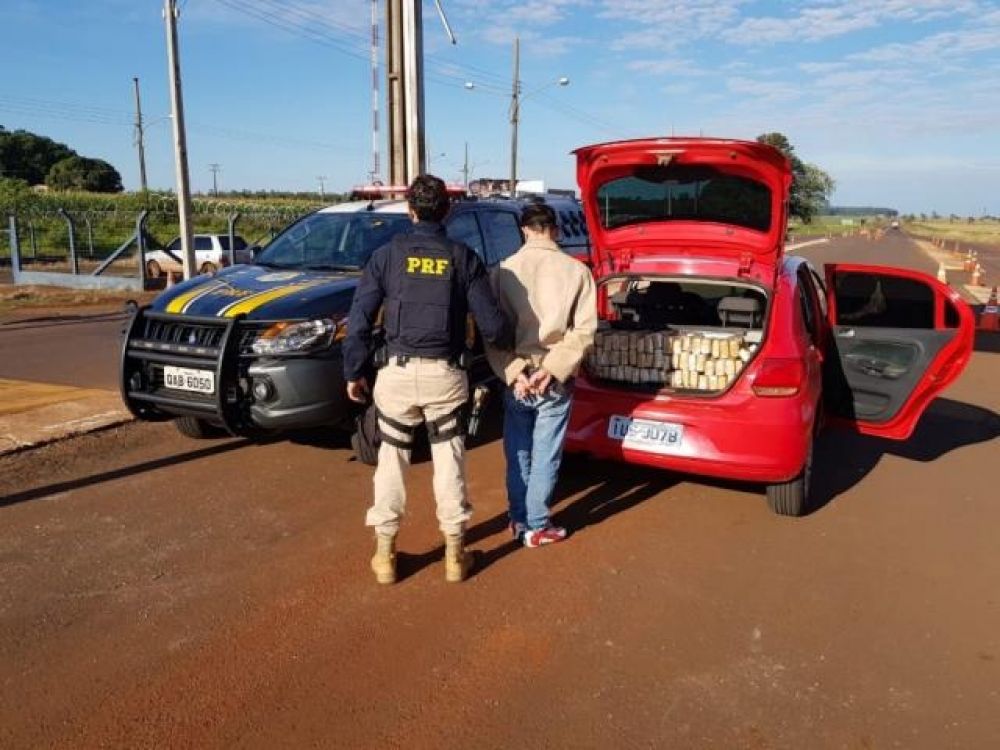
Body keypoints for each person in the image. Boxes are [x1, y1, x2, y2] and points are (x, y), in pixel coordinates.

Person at [343, 174, 511, 585]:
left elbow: (360, 320)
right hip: (446, 377)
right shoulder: (463, 257)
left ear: (410, 210)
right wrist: (511, 343)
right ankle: (455, 554)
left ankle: (385, 557)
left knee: (391, 462)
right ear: (448, 210)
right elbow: (492, 326)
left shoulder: (385, 256)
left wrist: (354, 372)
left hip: (396, 377)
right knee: (448, 460)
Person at [487, 202, 597, 547]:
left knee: (517, 450)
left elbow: (493, 333)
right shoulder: (576, 271)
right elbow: (585, 331)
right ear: (556, 229)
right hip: (554, 377)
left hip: (516, 375)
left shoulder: (503, 271)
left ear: (524, 230)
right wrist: (551, 369)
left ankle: (518, 518)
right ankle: (537, 524)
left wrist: (515, 371)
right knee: (546, 451)